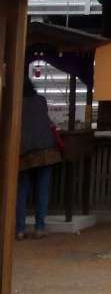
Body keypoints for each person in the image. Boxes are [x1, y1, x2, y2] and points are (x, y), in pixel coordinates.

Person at [16, 75, 60, 240]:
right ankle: (40, 227)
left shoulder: (15, 103)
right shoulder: (41, 100)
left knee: (22, 191)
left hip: (24, 151)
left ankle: (20, 229)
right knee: (43, 189)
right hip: (46, 149)